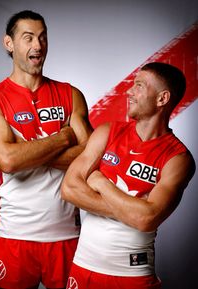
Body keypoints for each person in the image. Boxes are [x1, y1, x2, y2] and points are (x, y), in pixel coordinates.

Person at [0, 10, 92, 289]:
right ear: (9, 43)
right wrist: (63, 139)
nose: (37, 46)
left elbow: (90, 157)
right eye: (28, 38)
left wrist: (28, 153)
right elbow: (8, 160)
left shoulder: (70, 94)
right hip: (15, 235)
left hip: (66, 236)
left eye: (42, 38)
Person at [61, 62, 196, 289]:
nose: (129, 91)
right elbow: (69, 189)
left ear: (162, 99)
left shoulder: (178, 158)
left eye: (139, 86)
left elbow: (146, 220)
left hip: (132, 275)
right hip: (83, 266)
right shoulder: (107, 132)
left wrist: (101, 182)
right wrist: (134, 210)